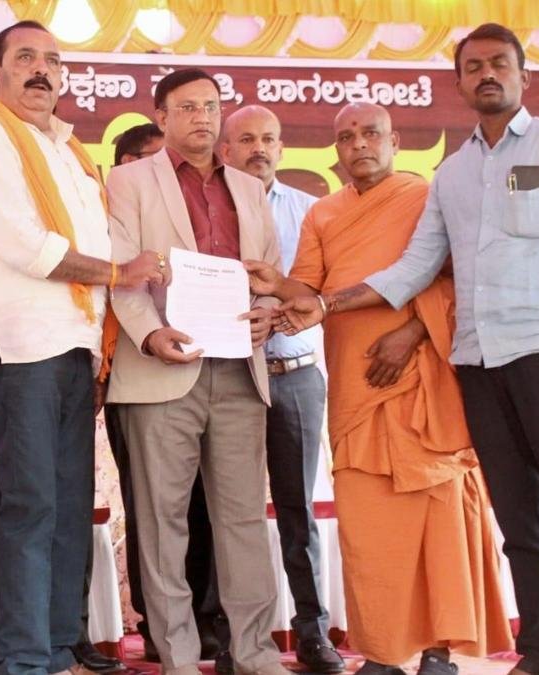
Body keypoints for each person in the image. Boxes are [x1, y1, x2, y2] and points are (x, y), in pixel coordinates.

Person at [269, 24, 539, 675]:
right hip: (478, 365)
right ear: (459, 83)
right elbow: (415, 268)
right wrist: (325, 305)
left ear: (523, 76)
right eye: (474, 66)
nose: (487, 74)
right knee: (519, 520)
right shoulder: (453, 174)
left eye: (499, 64)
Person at [248, 102, 514, 675]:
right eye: (346, 138)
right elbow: (311, 291)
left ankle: (439, 649)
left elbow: (460, 279)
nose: (359, 145)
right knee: (368, 527)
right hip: (356, 384)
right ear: (335, 151)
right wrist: (277, 284)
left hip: (423, 377)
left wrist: (412, 332)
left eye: (371, 134)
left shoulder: (425, 197)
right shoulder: (324, 213)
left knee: (438, 517)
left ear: (394, 142)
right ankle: (384, 652)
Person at [0, 20, 163, 675]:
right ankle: (21, 656)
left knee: (71, 505)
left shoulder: (70, 151)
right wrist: (119, 274)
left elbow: (94, 240)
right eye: (25, 58)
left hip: (75, 345)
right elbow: (25, 245)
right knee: (31, 503)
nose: (41, 70)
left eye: (52, 60)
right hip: (18, 348)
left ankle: (62, 643)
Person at [105, 67, 287, 675]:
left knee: (243, 521)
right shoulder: (128, 181)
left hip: (238, 371)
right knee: (164, 525)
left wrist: (267, 315)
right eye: (187, 107)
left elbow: (268, 273)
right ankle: (178, 658)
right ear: (161, 117)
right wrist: (150, 333)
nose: (202, 117)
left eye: (210, 106)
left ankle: (256, 654)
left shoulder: (250, 189)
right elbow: (120, 271)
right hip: (162, 369)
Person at [219, 105, 343, 674]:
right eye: (246, 140)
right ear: (225, 150)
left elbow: (328, 292)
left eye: (268, 139)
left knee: (297, 509)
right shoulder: (209, 208)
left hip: (294, 375)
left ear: (282, 149)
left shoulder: (311, 212)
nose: (259, 149)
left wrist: (285, 311)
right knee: (229, 513)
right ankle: (233, 638)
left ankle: (312, 632)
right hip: (229, 378)